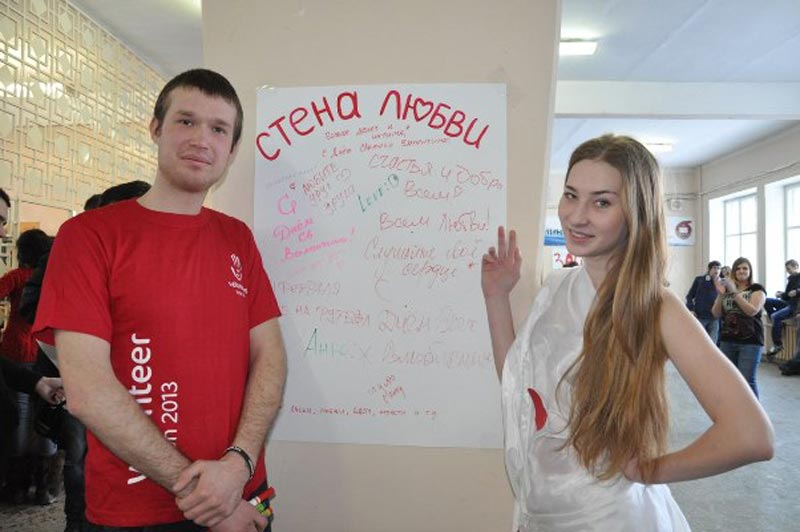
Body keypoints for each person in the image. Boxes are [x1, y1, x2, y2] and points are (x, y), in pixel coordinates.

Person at [33, 69, 287, 532]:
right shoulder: (88, 236)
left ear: (231, 150)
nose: (201, 139)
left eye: (219, 129)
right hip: (139, 510)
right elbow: (88, 391)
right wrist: (207, 497)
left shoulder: (237, 238)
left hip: (244, 491)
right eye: (186, 121)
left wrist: (239, 464)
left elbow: (270, 356)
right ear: (155, 128)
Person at [482, 134, 773, 531]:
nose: (577, 216)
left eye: (601, 202)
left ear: (636, 211)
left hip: (609, 518)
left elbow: (751, 434)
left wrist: (650, 471)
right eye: (571, 195)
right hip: (541, 512)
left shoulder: (655, 307)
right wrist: (496, 297)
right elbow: (517, 386)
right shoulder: (556, 286)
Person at [19, 180, 152, 532]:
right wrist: (80, 330)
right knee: (79, 455)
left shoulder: (144, 259)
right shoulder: (67, 251)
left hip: (134, 380)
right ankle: (78, 522)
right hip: (73, 375)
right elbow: (30, 305)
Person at [1, 228, 56, 505]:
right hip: (46, 352)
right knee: (46, 417)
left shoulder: (17, 277)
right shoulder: (52, 276)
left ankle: (17, 486)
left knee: (20, 418)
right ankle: (44, 487)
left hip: (16, 352)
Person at [712, 257, 767, 398]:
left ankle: (753, 412)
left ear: (750, 271)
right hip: (728, 340)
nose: (741, 271)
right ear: (734, 272)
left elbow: (751, 311)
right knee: (730, 380)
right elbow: (716, 313)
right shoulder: (727, 290)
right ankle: (735, 409)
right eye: (738, 268)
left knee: (747, 381)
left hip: (750, 341)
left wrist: (734, 292)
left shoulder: (757, 289)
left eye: (745, 268)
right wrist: (721, 295)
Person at [764, 259, 799, 357]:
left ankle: (777, 345)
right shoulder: (791, 279)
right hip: (787, 303)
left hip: (794, 306)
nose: (788, 271)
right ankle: (778, 322)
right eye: (787, 269)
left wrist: (797, 291)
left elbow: (796, 292)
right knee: (766, 300)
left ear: (796, 267)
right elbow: (787, 296)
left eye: (789, 269)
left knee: (775, 316)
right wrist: (781, 294)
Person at [685, 260, 725, 343]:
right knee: (699, 341)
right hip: (700, 316)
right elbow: (689, 296)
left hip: (714, 318)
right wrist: (691, 309)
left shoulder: (722, 282)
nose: (716, 270)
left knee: (713, 343)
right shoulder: (699, 280)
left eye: (718, 268)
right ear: (709, 269)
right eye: (714, 268)